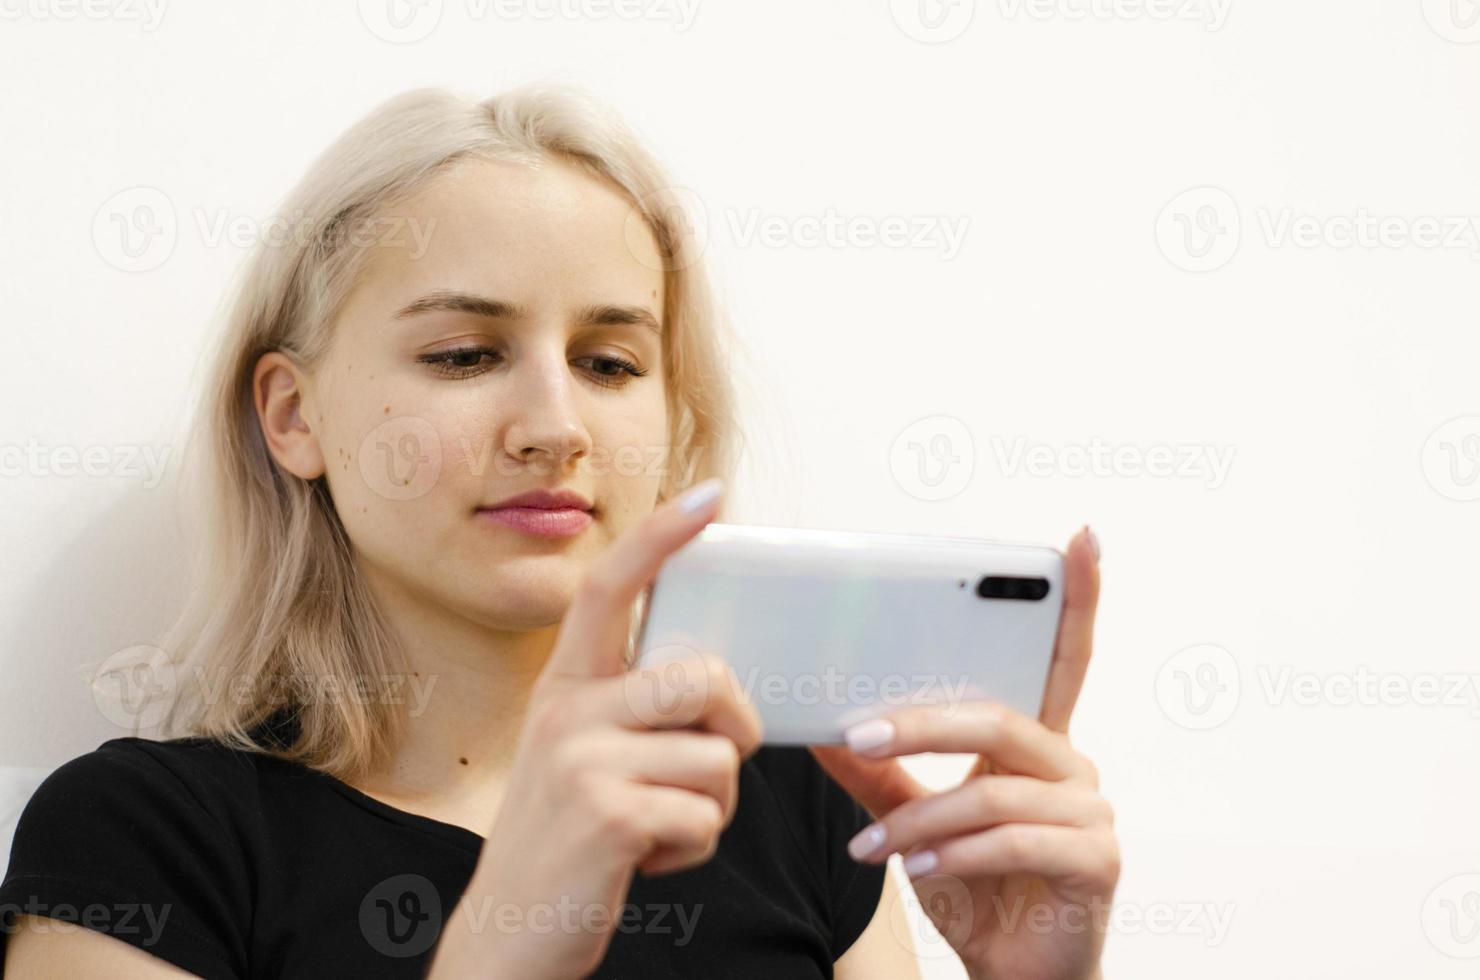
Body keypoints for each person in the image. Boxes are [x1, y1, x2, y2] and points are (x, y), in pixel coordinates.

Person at [0, 82, 1117, 979]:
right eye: (464, 354)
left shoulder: (801, 810)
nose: (554, 426)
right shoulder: (142, 841)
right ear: (295, 415)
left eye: (610, 363)